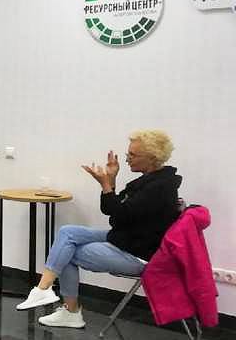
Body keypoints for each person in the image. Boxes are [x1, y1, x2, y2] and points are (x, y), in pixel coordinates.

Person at [16, 130, 182, 329]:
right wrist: (110, 180)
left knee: (67, 252)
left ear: (152, 158)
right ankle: (43, 290)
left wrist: (106, 184)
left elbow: (118, 217)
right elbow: (113, 210)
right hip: (127, 238)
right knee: (67, 232)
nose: (127, 159)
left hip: (138, 254)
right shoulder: (149, 181)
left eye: (133, 155)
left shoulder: (159, 188)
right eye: (128, 153)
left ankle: (69, 311)